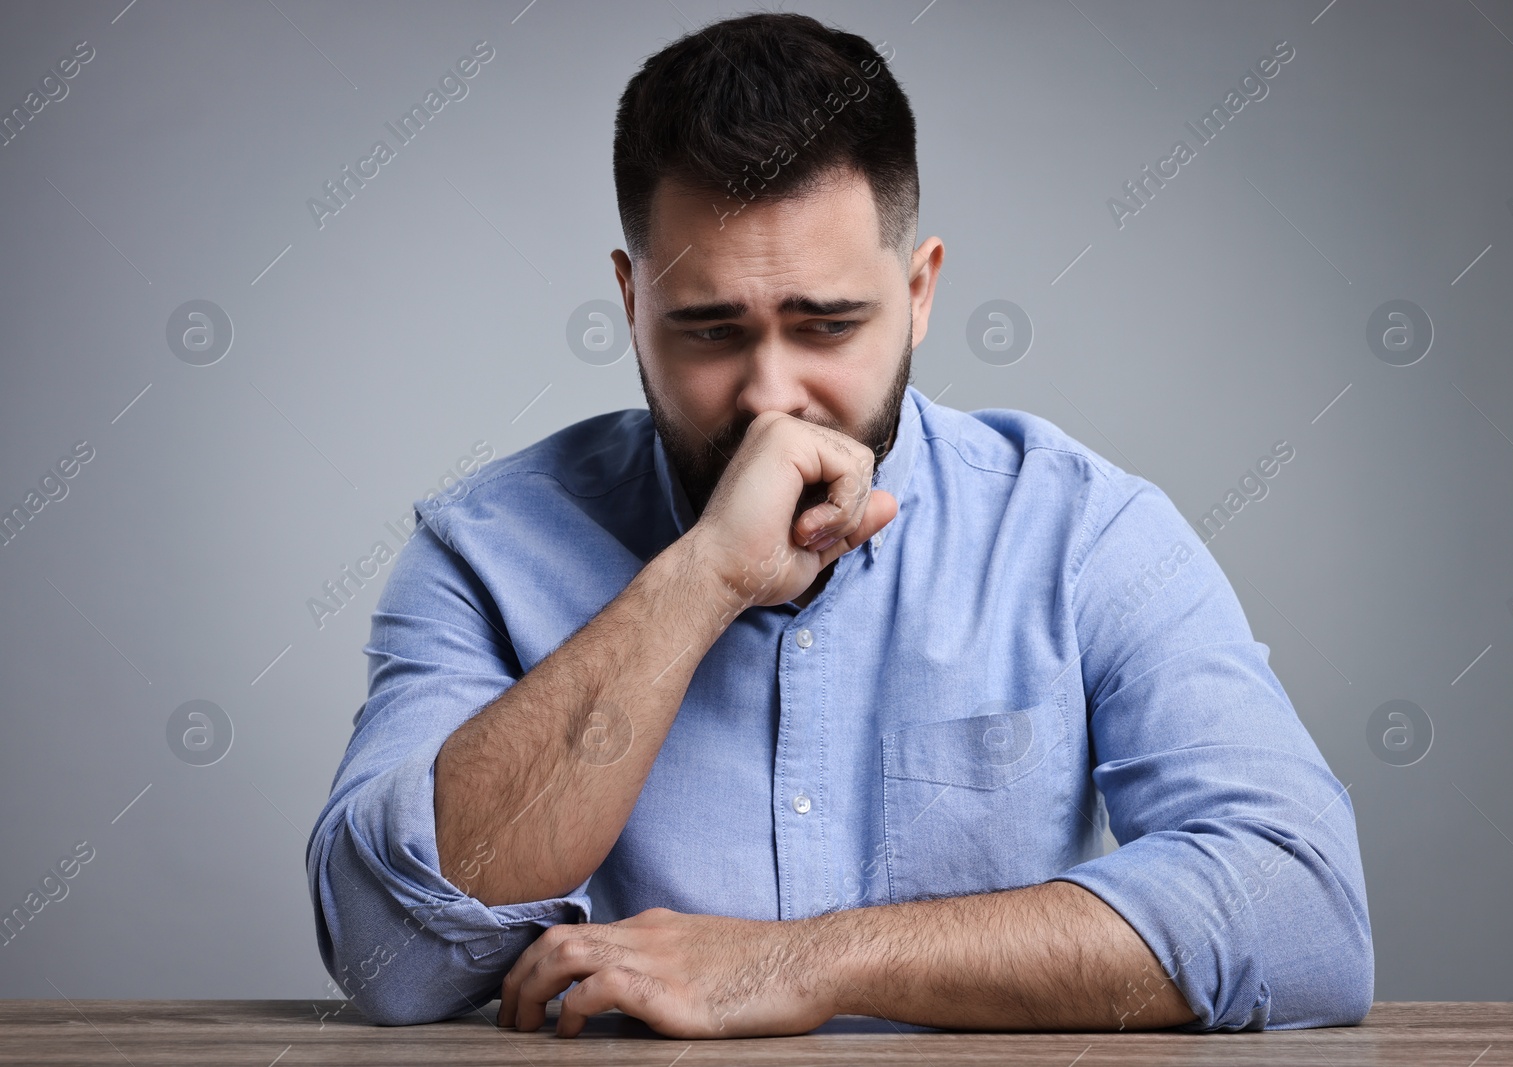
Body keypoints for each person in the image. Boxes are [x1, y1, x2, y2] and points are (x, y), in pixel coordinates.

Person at [306, 11, 1372, 1037]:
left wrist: (801, 961)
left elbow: (1301, 910)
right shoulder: (483, 550)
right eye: (710, 328)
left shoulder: (1084, 532)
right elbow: (390, 957)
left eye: (827, 324)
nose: (773, 394)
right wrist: (703, 578)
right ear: (630, 302)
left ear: (917, 291)